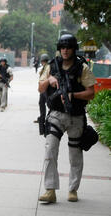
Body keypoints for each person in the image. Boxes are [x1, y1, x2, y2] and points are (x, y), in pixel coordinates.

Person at [37, 34, 96, 203]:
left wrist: (73, 95)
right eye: (62, 47)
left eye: (68, 47)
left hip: (76, 116)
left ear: (73, 49)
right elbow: (40, 88)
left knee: (75, 155)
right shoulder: (51, 66)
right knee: (50, 150)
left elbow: (91, 93)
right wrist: (49, 79)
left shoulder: (82, 67)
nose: (65, 50)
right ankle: (50, 189)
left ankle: (73, 189)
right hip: (56, 114)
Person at [34, 54, 50, 126]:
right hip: (43, 89)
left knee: (49, 104)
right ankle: (42, 118)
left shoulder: (48, 67)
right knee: (41, 103)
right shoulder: (44, 67)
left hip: (46, 88)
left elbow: (47, 78)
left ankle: (50, 119)